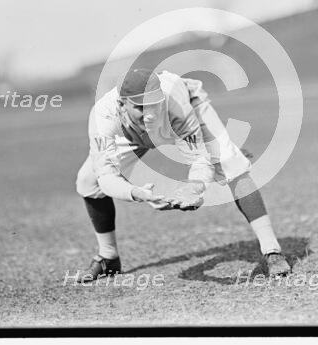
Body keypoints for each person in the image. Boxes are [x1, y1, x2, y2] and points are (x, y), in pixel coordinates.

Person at [76, 68, 291, 280]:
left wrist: (193, 187)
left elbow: (199, 160)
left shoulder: (175, 103)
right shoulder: (102, 115)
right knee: (88, 181)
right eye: (141, 107)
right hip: (130, 133)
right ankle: (109, 257)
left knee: (231, 164)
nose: (150, 114)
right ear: (121, 105)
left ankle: (272, 251)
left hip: (182, 116)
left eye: (154, 104)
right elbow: (106, 178)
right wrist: (135, 193)